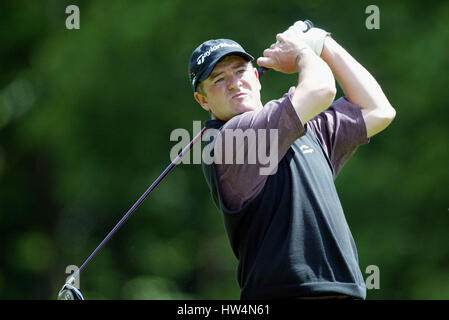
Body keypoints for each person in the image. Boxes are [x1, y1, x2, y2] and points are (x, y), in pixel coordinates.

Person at [188, 20, 395, 300]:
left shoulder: (307, 130)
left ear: (256, 77)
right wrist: (302, 52)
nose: (235, 83)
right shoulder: (231, 140)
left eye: (240, 71)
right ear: (203, 100)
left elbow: (378, 110)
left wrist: (323, 42)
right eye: (219, 79)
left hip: (342, 292)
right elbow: (322, 90)